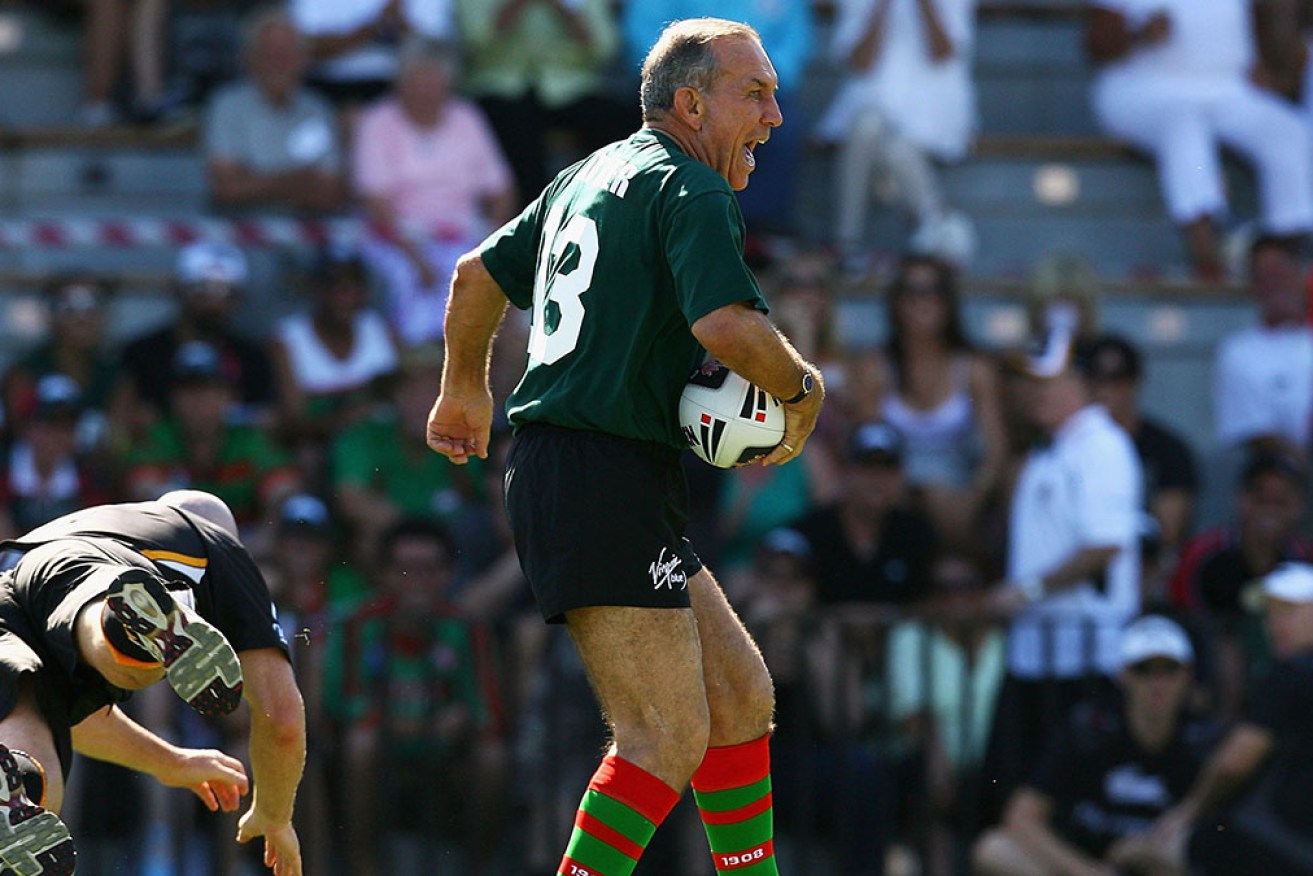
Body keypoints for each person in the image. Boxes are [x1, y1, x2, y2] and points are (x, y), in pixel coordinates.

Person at [426, 18, 825, 875]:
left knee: (739, 697)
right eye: (753, 93)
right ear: (690, 103)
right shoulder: (693, 188)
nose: (774, 116)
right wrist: (802, 393)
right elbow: (725, 324)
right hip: (592, 468)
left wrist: (464, 386)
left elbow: (475, 276)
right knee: (663, 735)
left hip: (599, 470)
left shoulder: (590, 173)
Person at [0, 490, 306, 876]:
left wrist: (170, 762)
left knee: (37, 763)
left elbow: (85, 719)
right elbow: (281, 718)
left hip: (9, 585)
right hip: (95, 571)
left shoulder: (94, 519)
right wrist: (274, 814)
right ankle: (127, 624)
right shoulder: (214, 545)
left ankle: (16, 789)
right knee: (131, 657)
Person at [980, 329, 1143, 822]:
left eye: (1046, 380)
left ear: (1083, 382)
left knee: (1067, 812)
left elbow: (1106, 544)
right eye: (1027, 381)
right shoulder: (1051, 448)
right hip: (1038, 657)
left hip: (1084, 660)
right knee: (1009, 799)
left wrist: (1026, 592)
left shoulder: (1102, 446)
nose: (1032, 391)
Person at [973, 614, 1224, 876]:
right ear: (1123, 674)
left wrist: (1141, 850)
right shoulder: (1089, 730)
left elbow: (1218, 836)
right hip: (1088, 862)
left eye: (1168, 670)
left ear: (1187, 675)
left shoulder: (1203, 740)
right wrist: (1087, 871)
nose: (1156, 684)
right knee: (995, 849)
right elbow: (1021, 815)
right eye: (1144, 670)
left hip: (1156, 862)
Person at [1085, 0, 1313, 279]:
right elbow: (1095, 45)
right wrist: (1139, 34)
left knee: (1289, 131)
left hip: (1230, 90)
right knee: (1184, 126)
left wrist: (1271, 65)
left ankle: (1289, 247)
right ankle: (1209, 249)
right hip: (1142, 89)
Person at [352, 36, 517, 348]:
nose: (426, 90)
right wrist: (416, 257)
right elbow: (374, 199)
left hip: (464, 236)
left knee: (502, 300)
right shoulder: (378, 121)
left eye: (435, 80)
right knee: (408, 285)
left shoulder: (466, 118)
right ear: (401, 82)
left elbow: (501, 189)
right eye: (418, 80)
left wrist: (492, 248)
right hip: (398, 239)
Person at [1151, 562, 1313, 875]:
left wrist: (1189, 812)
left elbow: (1236, 761)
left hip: (1290, 842)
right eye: (1270, 613)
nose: (1275, 623)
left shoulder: (1291, 673)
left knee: (1158, 851)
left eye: (1289, 611)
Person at [848, 254, 1008, 546]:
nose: (923, 300)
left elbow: (995, 454)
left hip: (960, 492)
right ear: (896, 302)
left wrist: (972, 499)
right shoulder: (874, 367)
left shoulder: (974, 368)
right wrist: (914, 494)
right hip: (893, 491)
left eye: (934, 290)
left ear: (949, 302)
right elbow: (868, 448)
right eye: (911, 291)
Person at [815, 0, 978, 269]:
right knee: (866, 128)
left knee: (895, 149)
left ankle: (933, 226)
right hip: (872, 105)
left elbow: (942, 50)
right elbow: (860, 61)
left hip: (934, 107)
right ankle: (851, 242)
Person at [1168, 452, 1312, 719]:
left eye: (1281, 500)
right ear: (1240, 500)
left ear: (1299, 506)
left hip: (1290, 670)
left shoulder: (1305, 560)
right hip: (1211, 668)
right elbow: (1179, 616)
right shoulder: (1204, 556)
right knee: (1227, 649)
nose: (1269, 508)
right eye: (1260, 497)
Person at [116, 241, 277, 440]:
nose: (213, 303)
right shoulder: (142, 353)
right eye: (202, 290)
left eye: (225, 292)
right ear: (179, 291)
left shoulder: (252, 356)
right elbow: (121, 421)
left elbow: (268, 419)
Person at [1083, 333, 1199, 600]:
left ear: (1136, 382)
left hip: (1147, 579)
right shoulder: (1064, 452)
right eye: (1093, 377)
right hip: (1080, 578)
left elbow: (1168, 536)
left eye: (1116, 377)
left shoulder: (1167, 449)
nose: (1103, 388)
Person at [204, 6, 348, 215]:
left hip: (309, 238)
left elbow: (331, 194)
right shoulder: (227, 106)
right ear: (249, 58)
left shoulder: (317, 109)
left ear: (304, 60)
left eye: (287, 52)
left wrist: (253, 181)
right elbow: (226, 189)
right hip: (238, 236)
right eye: (268, 52)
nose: (278, 61)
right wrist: (300, 180)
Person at [1212, 234, 1313, 463]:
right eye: (1264, 277)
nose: (1276, 284)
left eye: (1281, 273)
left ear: (1300, 276)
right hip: (1284, 476)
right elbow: (1252, 432)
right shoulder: (1239, 351)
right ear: (1254, 287)